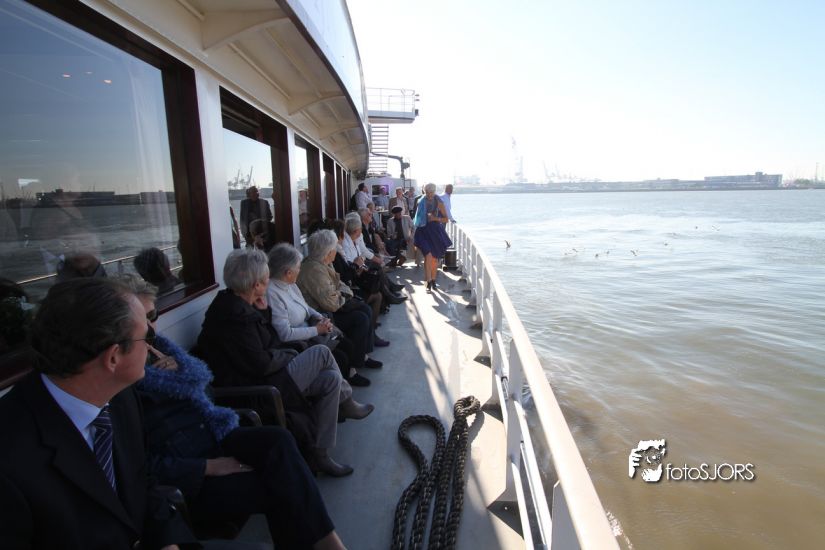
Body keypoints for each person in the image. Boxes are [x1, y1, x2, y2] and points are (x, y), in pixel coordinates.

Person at [118, 274, 345, 550]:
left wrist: (183, 370)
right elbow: (141, 468)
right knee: (278, 486)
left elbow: (207, 393)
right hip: (190, 463)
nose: (150, 327)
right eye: (141, 322)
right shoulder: (123, 386)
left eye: (152, 316)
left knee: (279, 439)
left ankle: (328, 540)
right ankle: (326, 543)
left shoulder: (163, 349)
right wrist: (209, 467)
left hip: (213, 433)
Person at [0, 278, 197, 549]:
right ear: (113, 357)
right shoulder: (10, 455)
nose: (152, 345)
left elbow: (141, 483)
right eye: (146, 337)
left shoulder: (121, 399)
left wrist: (170, 542)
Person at [197, 248, 373, 477]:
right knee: (321, 352)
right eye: (265, 279)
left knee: (331, 379)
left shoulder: (243, 305)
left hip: (270, 375)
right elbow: (261, 363)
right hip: (258, 388)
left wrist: (264, 314)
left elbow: (264, 343)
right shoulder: (234, 318)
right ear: (256, 285)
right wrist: (291, 354)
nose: (268, 282)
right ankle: (347, 399)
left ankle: (320, 453)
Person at [266, 243, 378, 388]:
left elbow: (305, 306)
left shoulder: (290, 284)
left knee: (347, 344)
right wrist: (317, 330)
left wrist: (320, 317)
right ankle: (343, 388)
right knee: (342, 356)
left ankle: (350, 376)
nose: (299, 270)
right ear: (288, 272)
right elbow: (285, 334)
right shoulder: (272, 293)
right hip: (299, 342)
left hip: (311, 328)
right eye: (298, 268)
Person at [297, 230, 389, 349]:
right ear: (329, 252)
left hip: (333, 306)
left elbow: (341, 284)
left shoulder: (324, 263)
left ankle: (365, 351)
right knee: (361, 317)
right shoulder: (314, 271)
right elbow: (332, 303)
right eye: (335, 248)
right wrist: (343, 295)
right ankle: (357, 357)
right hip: (322, 316)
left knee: (364, 308)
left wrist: (341, 293)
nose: (336, 250)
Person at [413, 183, 453, 291]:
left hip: (435, 231)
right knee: (428, 255)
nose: (429, 194)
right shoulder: (421, 201)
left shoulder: (438, 201)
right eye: (427, 192)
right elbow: (416, 218)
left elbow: (446, 219)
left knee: (434, 258)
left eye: (431, 192)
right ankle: (429, 281)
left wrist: (435, 218)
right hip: (423, 231)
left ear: (434, 192)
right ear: (424, 191)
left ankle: (433, 280)